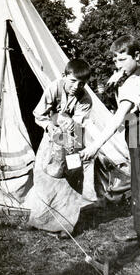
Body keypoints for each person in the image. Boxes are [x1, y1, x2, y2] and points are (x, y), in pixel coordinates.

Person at [80, 35, 140, 263]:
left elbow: (118, 118)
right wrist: (118, 77)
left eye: (123, 59)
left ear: (137, 56)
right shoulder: (134, 76)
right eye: (115, 61)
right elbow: (126, 113)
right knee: (137, 190)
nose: (118, 65)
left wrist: (95, 146)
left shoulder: (136, 81)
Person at [24, 59, 98, 238]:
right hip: (52, 135)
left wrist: (69, 135)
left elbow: (77, 125)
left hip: (73, 137)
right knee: (44, 177)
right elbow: (38, 114)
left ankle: (65, 224)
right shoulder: (54, 88)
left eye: (82, 83)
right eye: (73, 81)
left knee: (71, 179)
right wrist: (51, 126)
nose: (76, 86)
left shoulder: (85, 99)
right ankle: (38, 219)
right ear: (64, 76)